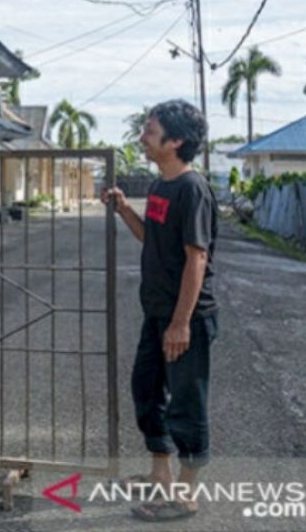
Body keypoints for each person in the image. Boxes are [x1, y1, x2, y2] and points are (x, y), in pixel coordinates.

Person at [101, 99, 218, 522]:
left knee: (186, 403)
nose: (142, 138)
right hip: (157, 315)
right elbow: (152, 239)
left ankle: (184, 496)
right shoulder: (159, 188)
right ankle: (160, 476)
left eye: (150, 132)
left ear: (176, 141)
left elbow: (196, 260)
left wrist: (181, 323)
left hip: (186, 319)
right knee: (147, 391)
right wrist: (125, 209)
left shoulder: (192, 189)